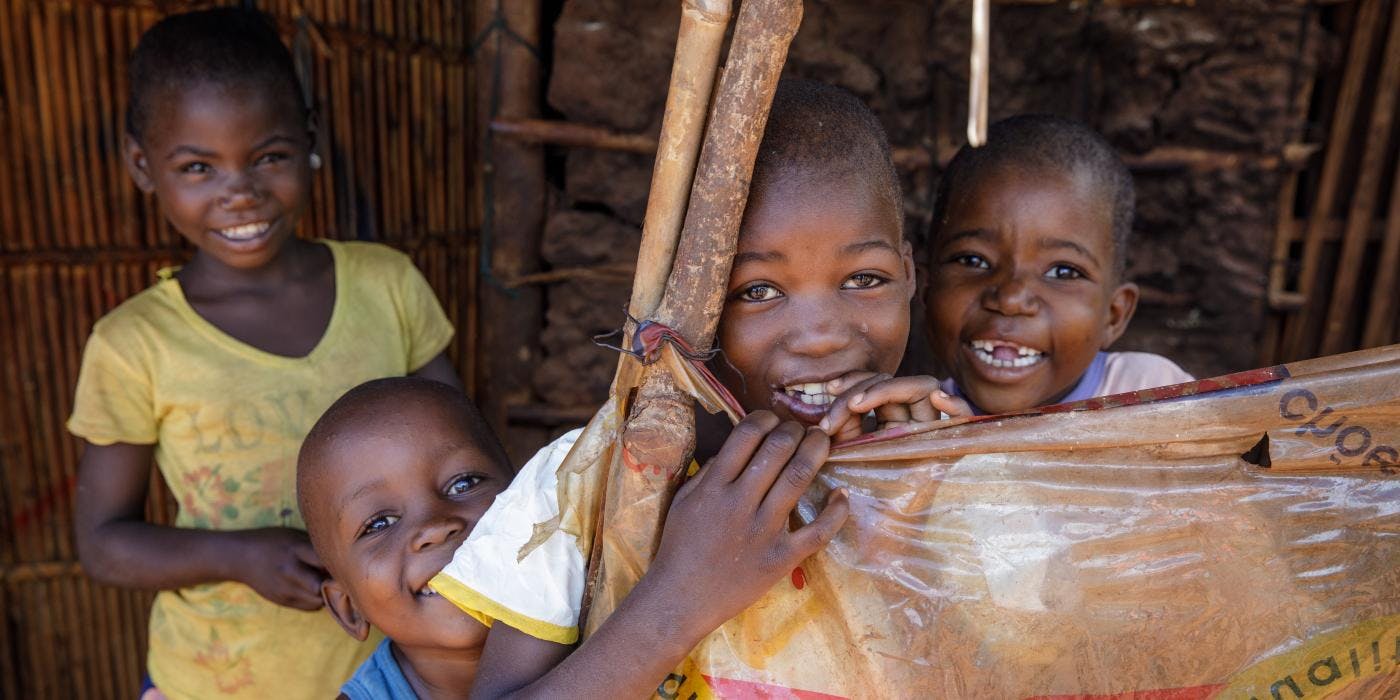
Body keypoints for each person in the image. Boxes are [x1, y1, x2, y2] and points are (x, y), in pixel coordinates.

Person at [434, 79, 954, 698]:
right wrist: (682, 596)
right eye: (757, 290)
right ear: (689, 295)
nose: (819, 336)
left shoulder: (948, 471)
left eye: (864, 278)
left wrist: (910, 533)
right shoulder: (582, 491)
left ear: (910, 273)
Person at [66, 9, 460, 699]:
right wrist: (241, 555)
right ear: (142, 165)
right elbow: (103, 544)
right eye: (197, 166)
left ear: (309, 137)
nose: (239, 192)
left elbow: (466, 460)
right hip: (215, 682)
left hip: (397, 676)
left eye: (269, 156)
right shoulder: (133, 346)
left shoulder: (386, 285)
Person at [924, 114, 1193, 416]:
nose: (1011, 299)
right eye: (974, 260)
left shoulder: (1155, 397)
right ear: (926, 285)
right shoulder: (916, 423)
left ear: (1113, 315)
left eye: (1062, 272)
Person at [297, 378, 514, 699]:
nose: (435, 526)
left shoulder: (607, 597)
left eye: (464, 483)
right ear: (349, 609)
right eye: (379, 523)